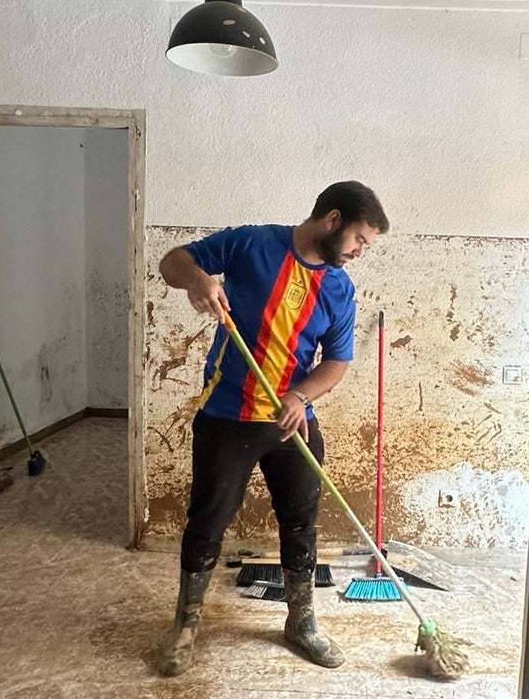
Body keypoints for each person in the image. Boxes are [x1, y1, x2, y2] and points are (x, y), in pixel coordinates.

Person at [156, 181, 389, 676]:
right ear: (332, 220)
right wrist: (197, 278)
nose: (359, 252)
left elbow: (337, 364)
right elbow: (170, 262)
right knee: (208, 522)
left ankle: (301, 623)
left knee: (301, 521)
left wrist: (300, 397)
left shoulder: (339, 289)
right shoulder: (252, 243)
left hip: (291, 423)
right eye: (359, 239)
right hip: (228, 416)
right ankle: (185, 626)